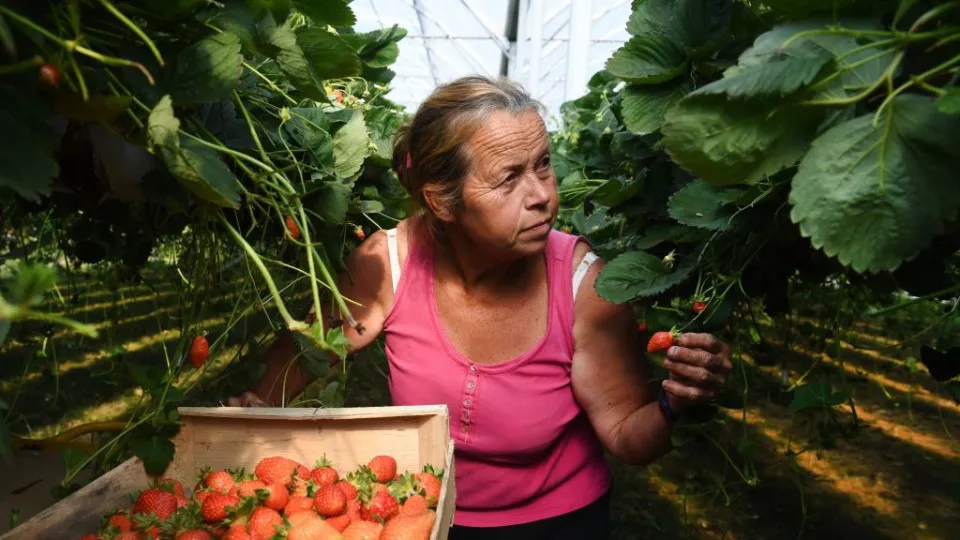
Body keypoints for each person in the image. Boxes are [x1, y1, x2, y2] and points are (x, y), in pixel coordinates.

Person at [228, 75, 733, 539]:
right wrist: (251, 408)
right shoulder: (390, 265)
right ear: (442, 201)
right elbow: (306, 350)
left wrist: (675, 401)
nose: (541, 195)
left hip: (558, 523)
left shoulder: (584, 287)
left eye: (543, 165)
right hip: (423, 513)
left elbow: (626, 436)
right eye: (509, 178)